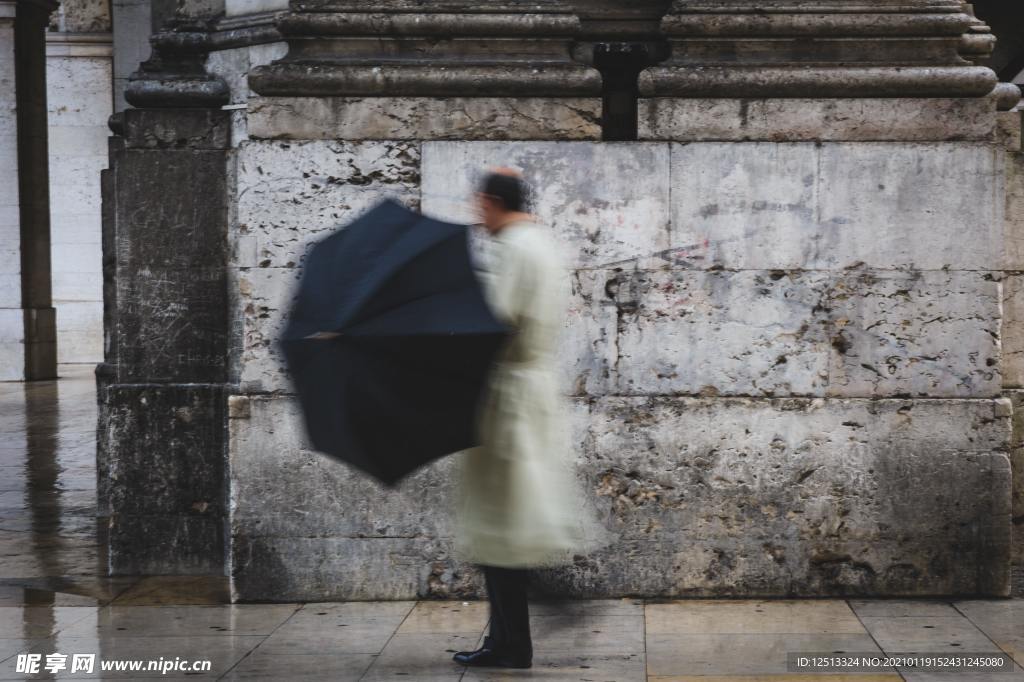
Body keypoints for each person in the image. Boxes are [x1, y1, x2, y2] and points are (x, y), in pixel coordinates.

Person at [450, 169, 611, 669]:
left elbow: (492, 320)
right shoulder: (538, 244)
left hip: (507, 396)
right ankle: (510, 640)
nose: (477, 216)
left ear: (493, 202)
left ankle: (537, 615)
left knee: (499, 523)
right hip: (525, 390)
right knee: (503, 521)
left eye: (479, 206)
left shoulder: (515, 249)